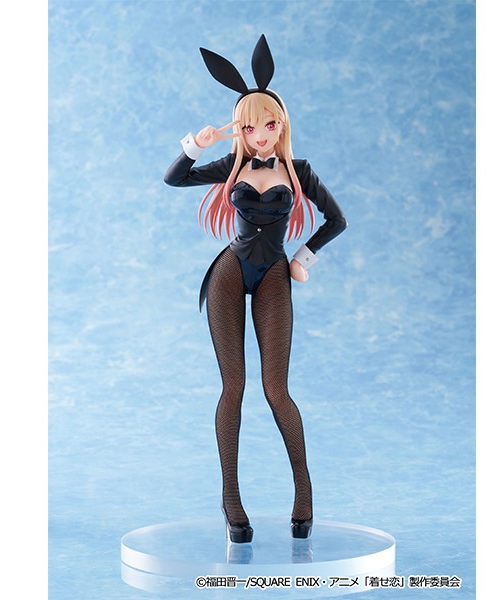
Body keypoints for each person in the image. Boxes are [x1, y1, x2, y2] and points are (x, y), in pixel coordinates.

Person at [164, 35, 346, 543]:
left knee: (276, 389)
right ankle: (231, 500)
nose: (259, 136)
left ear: (281, 124)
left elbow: (337, 220)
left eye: (267, 125)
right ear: (239, 130)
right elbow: (174, 178)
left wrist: (303, 259)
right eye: (248, 127)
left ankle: (304, 495)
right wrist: (198, 143)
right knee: (234, 387)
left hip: (273, 275)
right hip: (230, 271)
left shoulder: (298, 171)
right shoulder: (232, 166)